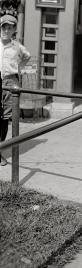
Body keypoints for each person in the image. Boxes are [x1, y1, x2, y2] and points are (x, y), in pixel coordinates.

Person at [0, 15, 31, 166]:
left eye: (10, 28)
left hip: (10, 80)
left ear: (14, 30)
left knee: (5, 117)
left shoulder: (17, 46)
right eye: (4, 27)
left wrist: (18, 66)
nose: (6, 30)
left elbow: (27, 56)